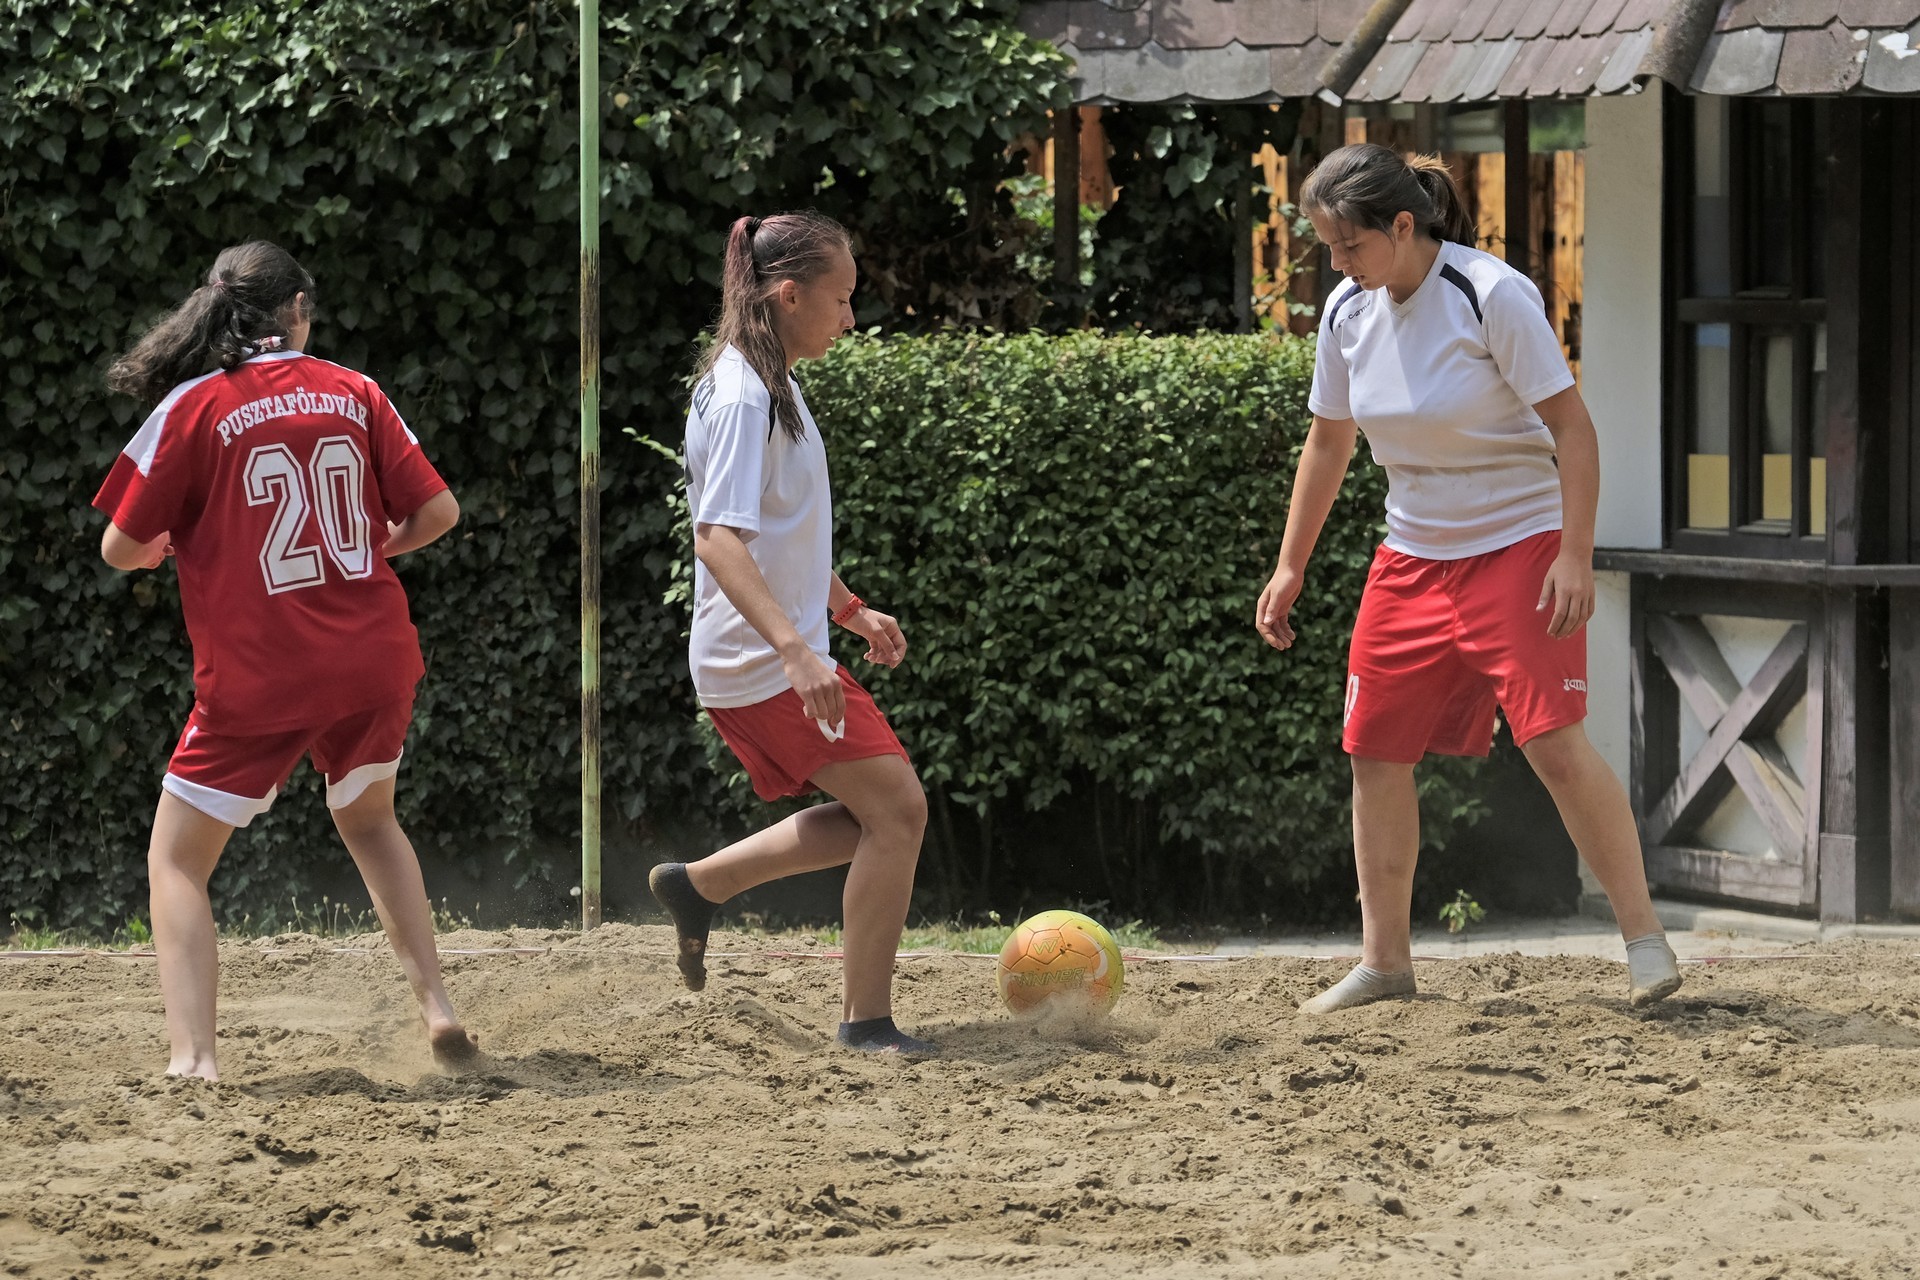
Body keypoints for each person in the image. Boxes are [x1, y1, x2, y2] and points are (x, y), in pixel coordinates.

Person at [1255, 145, 1682, 1014]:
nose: (1336, 263)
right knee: (1374, 750)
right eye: (1327, 247)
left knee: (1553, 745)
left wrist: (1575, 553)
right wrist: (1291, 562)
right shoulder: (1345, 311)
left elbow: (1573, 428)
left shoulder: (1489, 294)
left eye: (1349, 245)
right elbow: (1329, 441)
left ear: (1401, 225)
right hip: (1411, 556)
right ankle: (1384, 965)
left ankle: (1645, 941)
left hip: (1519, 544)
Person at [95, 240, 478, 1079]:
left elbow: (119, 546)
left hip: (260, 671)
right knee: (372, 822)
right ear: (298, 307)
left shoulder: (193, 406)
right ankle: (439, 1012)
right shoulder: (355, 390)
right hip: (372, 656)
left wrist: (162, 549)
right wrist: (369, 546)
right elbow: (439, 512)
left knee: (175, 861)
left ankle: (195, 1061)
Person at [647, 211, 934, 1057]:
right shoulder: (744, 394)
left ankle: (700, 887)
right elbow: (718, 539)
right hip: (760, 663)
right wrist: (795, 650)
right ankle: (866, 1022)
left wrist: (847, 610)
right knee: (900, 812)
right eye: (841, 299)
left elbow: (780, 534)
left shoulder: (769, 381)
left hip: (767, 655)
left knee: (875, 817)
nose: (851, 317)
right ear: (788, 294)